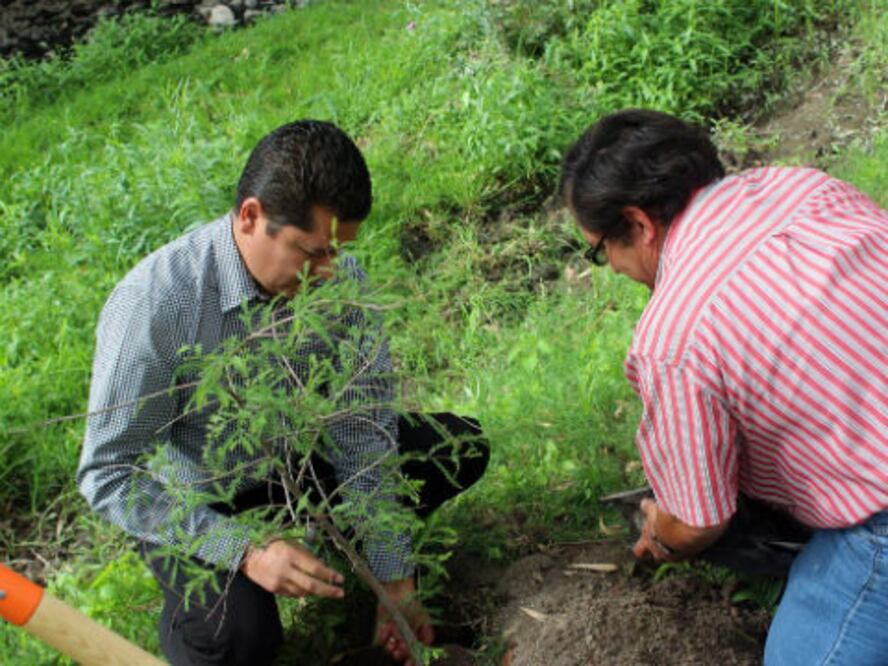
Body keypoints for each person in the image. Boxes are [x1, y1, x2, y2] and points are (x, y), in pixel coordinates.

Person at [77, 120, 488, 666]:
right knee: (238, 639)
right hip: (202, 493)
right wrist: (245, 551)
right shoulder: (157, 305)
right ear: (251, 216)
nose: (328, 273)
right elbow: (109, 474)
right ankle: (206, 612)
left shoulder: (340, 281)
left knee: (455, 447)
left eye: (339, 252)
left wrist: (394, 580)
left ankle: (333, 554)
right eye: (311, 252)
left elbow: (362, 431)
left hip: (296, 463)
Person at [560, 108, 888, 665]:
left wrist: (662, 534)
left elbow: (698, 520)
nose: (610, 267)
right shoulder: (803, 186)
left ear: (638, 224)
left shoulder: (674, 337)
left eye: (600, 250)